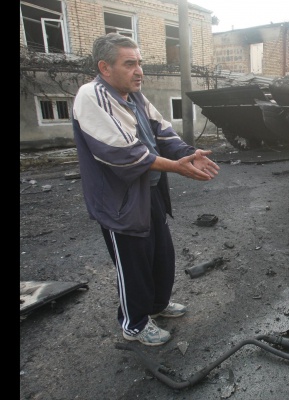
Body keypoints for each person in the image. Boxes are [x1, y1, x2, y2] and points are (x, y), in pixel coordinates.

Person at [72, 33, 221, 346]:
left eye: (139, 63)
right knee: (133, 265)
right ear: (105, 67)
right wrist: (176, 166)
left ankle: (157, 305)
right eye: (129, 64)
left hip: (149, 192)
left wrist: (187, 153)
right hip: (120, 201)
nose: (139, 70)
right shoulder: (91, 96)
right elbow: (123, 154)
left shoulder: (135, 96)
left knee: (161, 255)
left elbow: (162, 132)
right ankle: (135, 324)